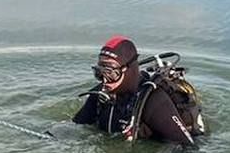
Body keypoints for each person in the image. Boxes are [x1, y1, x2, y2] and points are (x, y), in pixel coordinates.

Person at [72, 36, 200, 146]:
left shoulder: (153, 101)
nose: (104, 81)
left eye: (111, 73)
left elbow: (188, 147)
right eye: (99, 73)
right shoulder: (100, 95)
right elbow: (74, 127)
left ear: (127, 70)